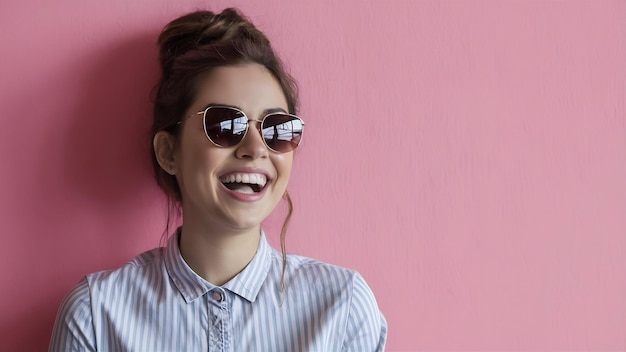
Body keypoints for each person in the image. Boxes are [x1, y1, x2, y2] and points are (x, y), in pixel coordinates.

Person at [50, 8, 387, 351]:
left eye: (276, 129)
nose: (255, 149)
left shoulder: (342, 310)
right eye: (225, 125)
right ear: (168, 152)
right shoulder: (96, 315)